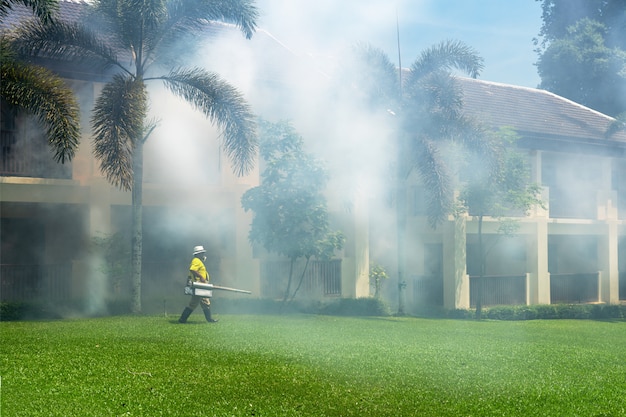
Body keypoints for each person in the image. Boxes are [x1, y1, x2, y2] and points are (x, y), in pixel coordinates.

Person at [178, 245, 218, 323]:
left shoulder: (198, 261)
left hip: (201, 285)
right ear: (198, 254)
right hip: (199, 285)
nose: (203, 255)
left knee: (203, 302)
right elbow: (192, 270)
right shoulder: (196, 260)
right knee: (196, 303)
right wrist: (201, 277)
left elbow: (190, 274)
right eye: (202, 253)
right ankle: (182, 319)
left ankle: (209, 319)